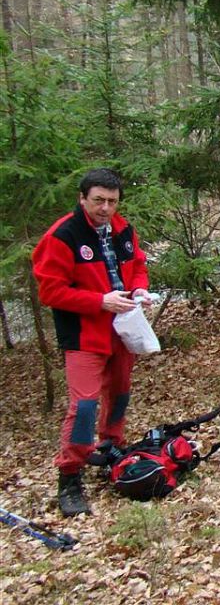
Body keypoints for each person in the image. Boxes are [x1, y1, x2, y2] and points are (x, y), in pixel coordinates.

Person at [32, 168, 151, 517]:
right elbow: (50, 290)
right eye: (98, 200)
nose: (105, 208)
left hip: (123, 328)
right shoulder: (64, 235)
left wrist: (140, 288)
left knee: (120, 392)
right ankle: (69, 476)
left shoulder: (123, 230)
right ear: (83, 198)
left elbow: (138, 264)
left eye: (112, 201)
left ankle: (111, 447)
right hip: (84, 332)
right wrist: (100, 301)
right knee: (83, 405)